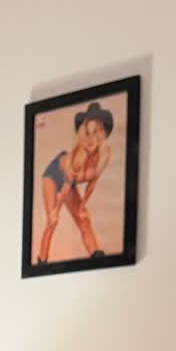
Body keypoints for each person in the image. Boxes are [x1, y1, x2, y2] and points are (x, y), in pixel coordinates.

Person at [37, 99, 114, 264]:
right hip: (54, 175)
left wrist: (82, 206)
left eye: (95, 132)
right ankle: (42, 260)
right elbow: (66, 185)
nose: (91, 138)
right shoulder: (79, 157)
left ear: (101, 134)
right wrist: (56, 209)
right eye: (87, 133)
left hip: (68, 182)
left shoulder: (104, 156)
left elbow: (92, 183)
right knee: (52, 220)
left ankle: (96, 255)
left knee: (84, 219)